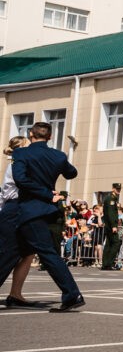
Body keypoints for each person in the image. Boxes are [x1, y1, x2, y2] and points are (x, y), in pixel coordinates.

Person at [2, 122, 85, 312]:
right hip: (42, 211)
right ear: (49, 137)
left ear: (31, 134)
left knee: (47, 254)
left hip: (28, 211)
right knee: (10, 252)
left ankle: (72, 294)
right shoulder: (58, 155)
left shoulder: (21, 154)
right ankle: (17, 295)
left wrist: (46, 193)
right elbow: (72, 173)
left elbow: (21, 179)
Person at [0, 137, 39, 308]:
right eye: (28, 146)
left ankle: (16, 294)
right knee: (10, 252)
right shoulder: (17, 165)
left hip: (21, 208)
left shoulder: (20, 164)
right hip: (14, 208)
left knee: (29, 252)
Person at [100, 184, 121, 270]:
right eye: (117, 189)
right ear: (113, 189)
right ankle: (109, 263)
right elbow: (111, 213)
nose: (118, 190)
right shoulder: (111, 199)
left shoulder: (111, 198)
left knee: (109, 244)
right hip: (111, 225)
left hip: (108, 225)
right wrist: (113, 225)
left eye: (119, 189)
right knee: (116, 243)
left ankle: (105, 264)